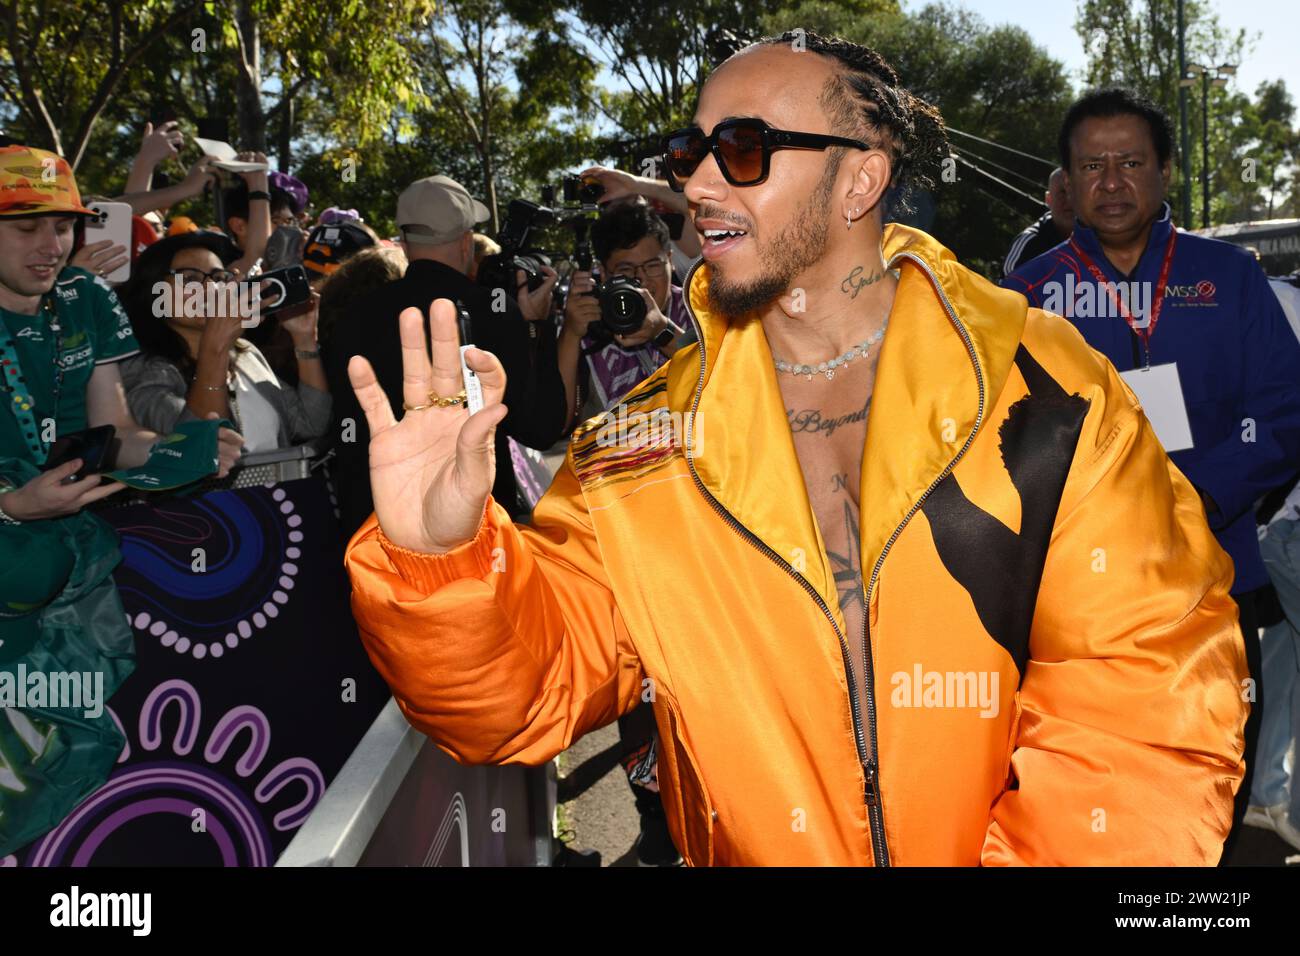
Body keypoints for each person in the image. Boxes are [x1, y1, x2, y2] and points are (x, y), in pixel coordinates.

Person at [343, 32, 1248, 866]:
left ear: (859, 181)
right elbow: (530, 692)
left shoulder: (1046, 386)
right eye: (689, 155)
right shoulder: (640, 448)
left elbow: (1144, 698)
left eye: (741, 150)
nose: (697, 188)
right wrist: (439, 566)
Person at [1002, 88, 1300, 853]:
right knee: (1090, 797)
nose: (1111, 182)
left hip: (1219, 576)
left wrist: (1191, 496)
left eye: (1130, 162)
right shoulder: (1031, 296)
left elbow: (1285, 412)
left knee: (1212, 788)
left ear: (1164, 171)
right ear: (1066, 181)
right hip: (1078, 598)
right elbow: (1004, 434)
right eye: (1091, 166)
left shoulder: (1230, 275)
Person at [0, 145, 241, 854]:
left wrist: (186, 448)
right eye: (26, 228)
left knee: (75, 747)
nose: (53, 248)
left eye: (65, 227)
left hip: (67, 576)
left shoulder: (85, 300)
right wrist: (11, 508)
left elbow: (120, 433)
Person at [326, 174, 568, 538]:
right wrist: (538, 327)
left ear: (405, 243)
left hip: (374, 527)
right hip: (472, 528)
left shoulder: (352, 314)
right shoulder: (492, 311)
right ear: (467, 242)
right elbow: (539, 428)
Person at [117, 232, 331, 451]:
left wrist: (305, 341)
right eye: (190, 279)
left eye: (219, 278)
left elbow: (311, 424)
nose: (210, 289)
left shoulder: (245, 354)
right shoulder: (141, 370)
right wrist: (215, 349)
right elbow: (201, 447)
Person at [559, 202, 690, 431]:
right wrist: (570, 333)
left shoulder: (700, 309)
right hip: (610, 462)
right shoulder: (589, 323)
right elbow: (558, 423)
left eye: (652, 265)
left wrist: (662, 332)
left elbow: (726, 384)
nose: (642, 281)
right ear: (603, 272)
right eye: (625, 271)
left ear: (669, 259)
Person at [1001, 167, 1073, 276]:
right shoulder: (1029, 244)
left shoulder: (1103, 238)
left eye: (1075, 192)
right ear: (1048, 199)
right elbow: (1008, 288)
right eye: (1062, 193)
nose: (1069, 199)